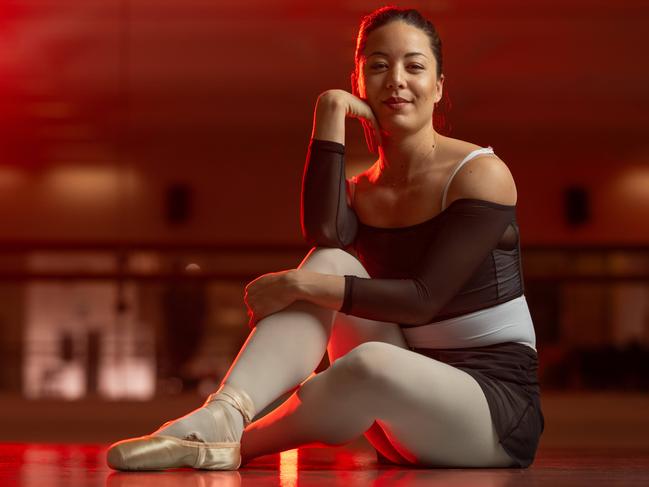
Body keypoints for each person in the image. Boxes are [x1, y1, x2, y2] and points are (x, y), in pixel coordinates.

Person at [106, 6, 544, 471]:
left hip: (493, 417)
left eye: (414, 66)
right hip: (404, 417)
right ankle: (225, 413)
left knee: (367, 359)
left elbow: (423, 300)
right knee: (330, 261)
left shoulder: (480, 173)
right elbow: (325, 235)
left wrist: (297, 285)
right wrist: (329, 115)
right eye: (378, 65)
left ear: (437, 87)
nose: (396, 79)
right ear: (358, 85)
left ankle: (228, 441)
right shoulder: (364, 190)